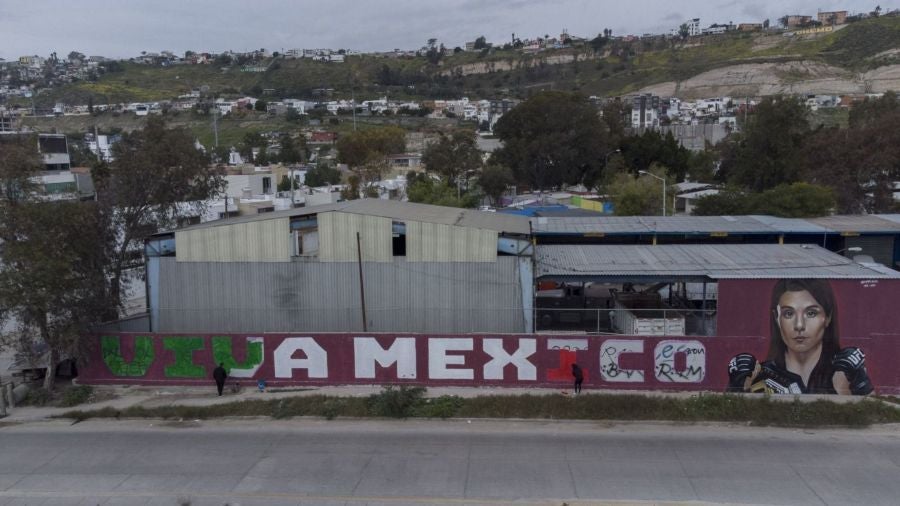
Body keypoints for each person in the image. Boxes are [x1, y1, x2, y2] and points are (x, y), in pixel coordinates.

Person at [727, 279, 873, 395]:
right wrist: (738, 388)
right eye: (788, 314)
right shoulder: (759, 375)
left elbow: (874, 419)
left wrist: (844, 388)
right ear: (777, 319)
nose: (799, 325)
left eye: (811, 313)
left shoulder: (845, 370)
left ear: (828, 317)